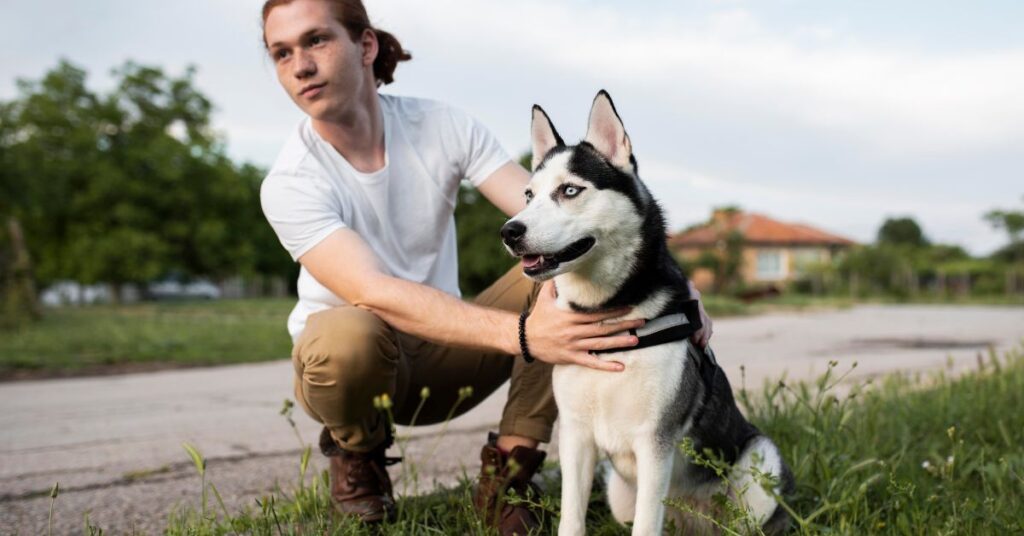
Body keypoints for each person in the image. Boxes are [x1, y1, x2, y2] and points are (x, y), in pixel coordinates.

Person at [258, 0, 713, 532]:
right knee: (348, 335)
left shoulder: (440, 125)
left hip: (448, 354)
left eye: (316, 40)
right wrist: (527, 335)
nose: (300, 65)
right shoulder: (291, 182)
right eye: (281, 52)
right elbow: (373, 290)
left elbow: (562, 218)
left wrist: (670, 280)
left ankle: (510, 474)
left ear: (365, 46)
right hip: (359, 365)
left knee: (558, 278)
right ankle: (357, 453)